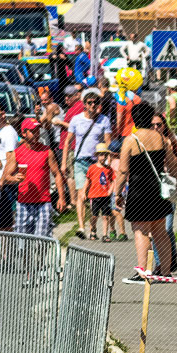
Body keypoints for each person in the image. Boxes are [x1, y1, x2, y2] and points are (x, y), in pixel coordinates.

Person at [114, 100, 177, 282]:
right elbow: (172, 164)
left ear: (134, 119)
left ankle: (143, 272)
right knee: (160, 231)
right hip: (158, 190)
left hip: (139, 191)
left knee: (141, 231)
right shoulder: (160, 138)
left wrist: (117, 193)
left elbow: (123, 171)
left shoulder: (131, 140)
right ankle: (165, 272)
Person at [1, 118, 67, 237]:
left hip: (44, 202)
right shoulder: (17, 153)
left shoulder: (47, 151)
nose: (36, 134)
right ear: (24, 133)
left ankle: (39, 250)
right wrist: (15, 178)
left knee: (41, 239)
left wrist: (61, 197)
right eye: (33, 131)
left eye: (38, 130)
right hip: (23, 202)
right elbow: (6, 177)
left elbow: (57, 174)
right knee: (22, 239)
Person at [65, 88, 112, 239]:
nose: (93, 105)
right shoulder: (76, 120)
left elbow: (108, 142)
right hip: (80, 161)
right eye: (90, 103)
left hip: (97, 162)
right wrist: (64, 162)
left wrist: (108, 160)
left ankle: (93, 227)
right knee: (81, 194)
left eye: (95, 102)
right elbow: (68, 141)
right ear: (84, 104)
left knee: (95, 196)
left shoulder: (104, 120)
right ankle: (81, 227)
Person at [87, 148, 117, 241]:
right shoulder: (92, 167)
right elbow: (88, 180)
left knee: (105, 216)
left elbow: (113, 180)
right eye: (101, 155)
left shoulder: (109, 169)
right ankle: (93, 231)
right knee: (94, 216)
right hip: (94, 195)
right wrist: (84, 192)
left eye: (105, 155)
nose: (103, 157)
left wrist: (111, 190)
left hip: (105, 195)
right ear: (97, 156)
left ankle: (105, 235)